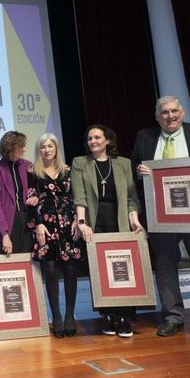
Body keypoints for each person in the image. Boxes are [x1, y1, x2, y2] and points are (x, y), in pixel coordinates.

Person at [131, 96, 190, 345]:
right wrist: (140, 173)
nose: (170, 116)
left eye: (174, 111)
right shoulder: (145, 137)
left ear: (182, 112)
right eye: (164, 112)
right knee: (165, 266)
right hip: (160, 215)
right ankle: (173, 317)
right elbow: (135, 170)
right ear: (157, 116)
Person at [72, 125, 144, 338]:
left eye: (97, 137)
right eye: (89, 138)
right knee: (100, 269)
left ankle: (124, 316)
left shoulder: (123, 163)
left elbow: (131, 196)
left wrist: (134, 219)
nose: (92, 141)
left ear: (108, 141)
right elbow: (80, 196)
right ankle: (107, 314)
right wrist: (82, 221)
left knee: (122, 268)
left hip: (118, 219)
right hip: (95, 222)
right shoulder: (80, 163)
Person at [26, 133, 80, 338]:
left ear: (56, 148)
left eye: (50, 146)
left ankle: (70, 316)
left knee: (70, 271)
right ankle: (56, 316)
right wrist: (38, 223)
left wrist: (77, 220)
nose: (46, 150)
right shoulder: (33, 172)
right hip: (45, 226)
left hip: (68, 225)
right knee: (49, 271)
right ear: (38, 150)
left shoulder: (67, 171)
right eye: (42, 147)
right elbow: (31, 199)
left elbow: (76, 197)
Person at [0, 131, 37, 255]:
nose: (24, 149)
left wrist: (36, 197)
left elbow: (36, 190)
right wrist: (4, 234)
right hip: (7, 222)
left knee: (27, 263)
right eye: (21, 146)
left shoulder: (28, 166)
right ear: (10, 148)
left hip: (27, 221)